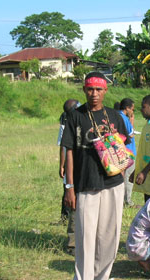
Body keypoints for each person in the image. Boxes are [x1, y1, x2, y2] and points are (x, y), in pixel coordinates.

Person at [61, 72, 129, 280]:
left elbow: (124, 144)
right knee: (85, 237)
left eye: (99, 90)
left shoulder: (114, 116)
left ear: (105, 92)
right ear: (84, 90)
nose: (94, 94)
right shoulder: (74, 117)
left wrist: (121, 171)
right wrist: (69, 187)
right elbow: (68, 150)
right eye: (90, 89)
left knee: (109, 236)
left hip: (113, 185)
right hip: (85, 184)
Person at [58, 98, 80, 251]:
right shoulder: (67, 125)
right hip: (74, 172)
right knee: (74, 206)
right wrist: (63, 165)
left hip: (86, 171)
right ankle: (72, 243)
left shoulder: (85, 120)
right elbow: (64, 147)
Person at [115, 98, 137, 206]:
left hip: (120, 151)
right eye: (132, 109)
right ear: (127, 108)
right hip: (128, 151)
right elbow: (129, 133)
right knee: (128, 177)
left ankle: (121, 199)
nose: (132, 112)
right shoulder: (124, 118)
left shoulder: (116, 116)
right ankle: (127, 201)